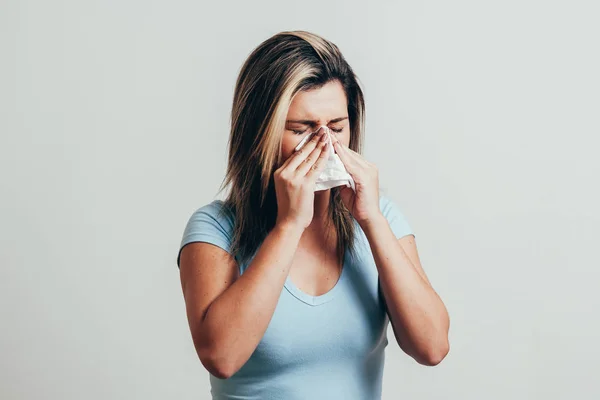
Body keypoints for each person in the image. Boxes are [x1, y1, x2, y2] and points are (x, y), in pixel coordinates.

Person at [176, 30, 450, 400]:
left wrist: (371, 220)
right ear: (261, 133)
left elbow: (432, 346)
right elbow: (221, 356)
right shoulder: (215, 229)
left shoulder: (380, 217)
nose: (325, 144)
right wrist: (290, 225)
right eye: (301, 129)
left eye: (337, 127)